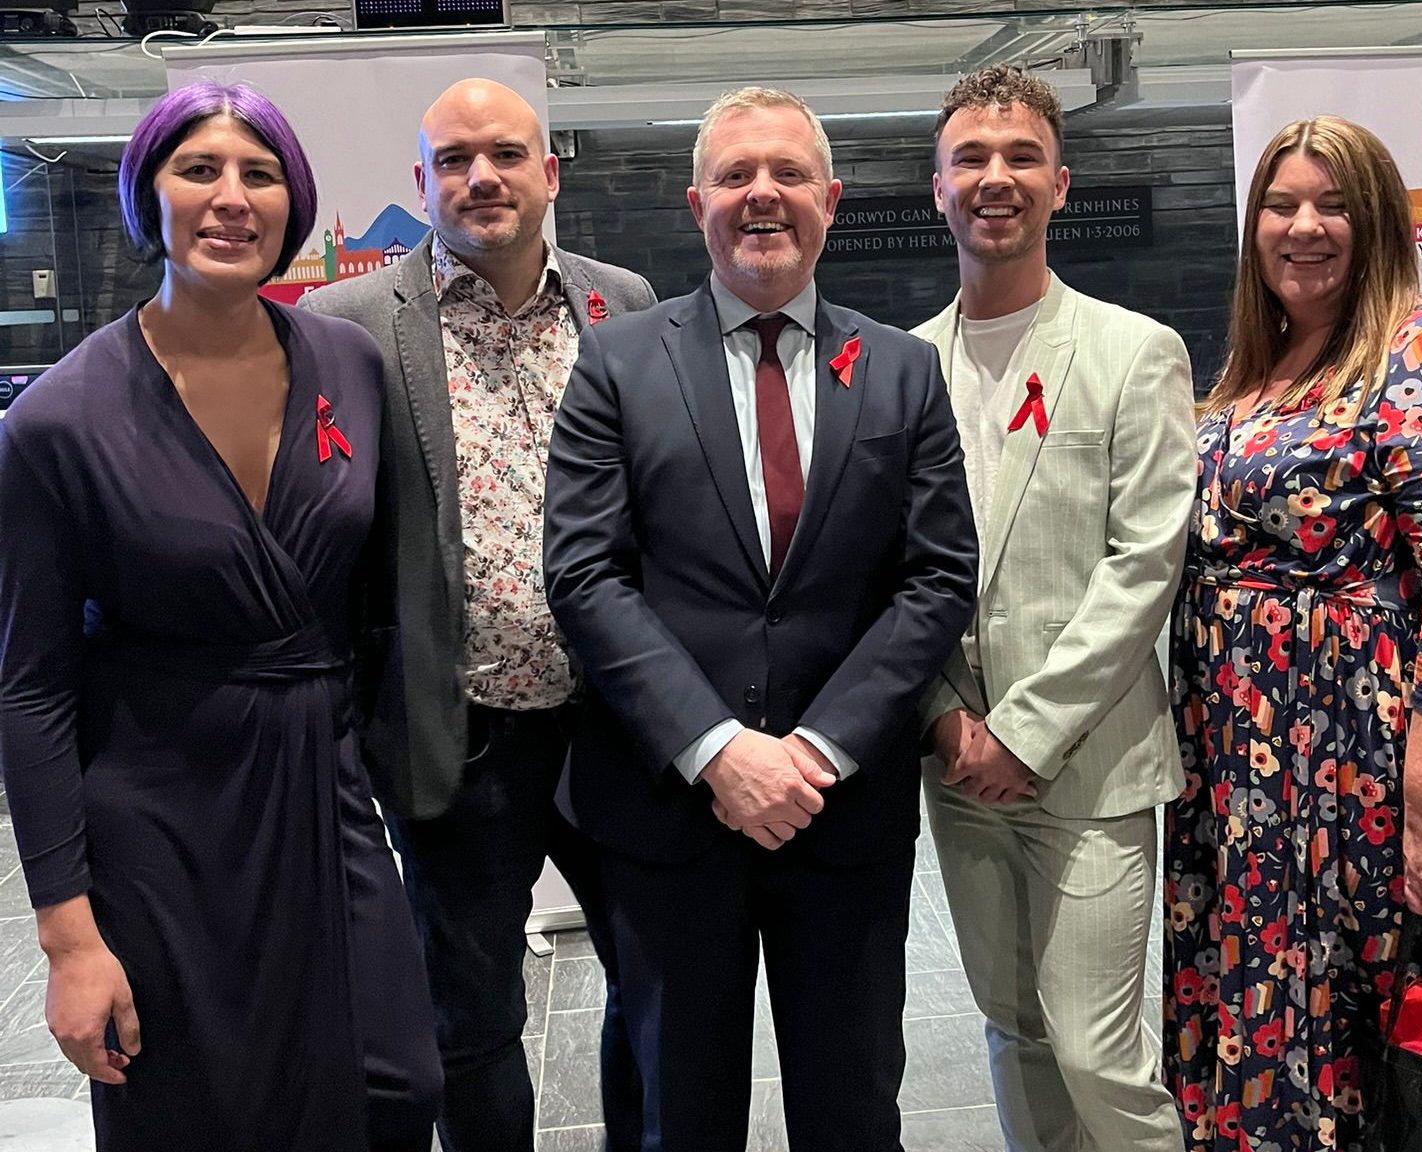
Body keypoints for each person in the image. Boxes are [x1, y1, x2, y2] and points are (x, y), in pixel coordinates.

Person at [0, 81, 442, 1151]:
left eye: (261, 174)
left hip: (324, 784)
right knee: (195, 1103)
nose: (232, 198)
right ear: (146, 195)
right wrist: (68, 939)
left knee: (397, 1085)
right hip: (161, 813)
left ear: (294, 201)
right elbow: (30, 682)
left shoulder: (349, 366)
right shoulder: (58, 420)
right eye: (199, 170)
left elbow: (381, 594)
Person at [543, 86, 977, 1152]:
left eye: (787, 174)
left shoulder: (903, 370)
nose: (762, 196)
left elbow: (937, 577)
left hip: (845, 818)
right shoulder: (617, 364)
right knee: (674, 1113)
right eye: (736, 176)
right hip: (669, 815)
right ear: (698, 204)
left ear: (830, 200)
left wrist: (819, 751)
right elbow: (586, 575)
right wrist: (718, 751)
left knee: (854, 1106)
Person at [1164, 114, 1422, 1151]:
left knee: (1382, 1030)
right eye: (1281, 205)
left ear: (1380, 222)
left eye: (1334, 203)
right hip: (1252, 782)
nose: (1305, 226)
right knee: (1275, 1019)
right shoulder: (1261, 369)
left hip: (1368, 776)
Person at [299, 77, 654, 1152]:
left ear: (549, 173)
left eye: (505, 153)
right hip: (457, 733)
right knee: (472, 1015)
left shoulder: (622, 303)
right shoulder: (347, 325)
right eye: (454, 159)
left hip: (617, 728)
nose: (481, 176)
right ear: (421, 182)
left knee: (655, 984)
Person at [913, 65, 1193, 1152]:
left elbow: (1143, 564)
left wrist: (1023, 734)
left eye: (1021, 156)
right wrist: (946, 719)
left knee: (1097, 1053)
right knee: (1012, 1028)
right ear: (935, 188)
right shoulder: (902, 368)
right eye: (972, 159)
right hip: (958, 762)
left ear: (1061, 184)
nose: (997, 177)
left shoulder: (1134, 353)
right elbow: (894, 573)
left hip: (1091, 764)